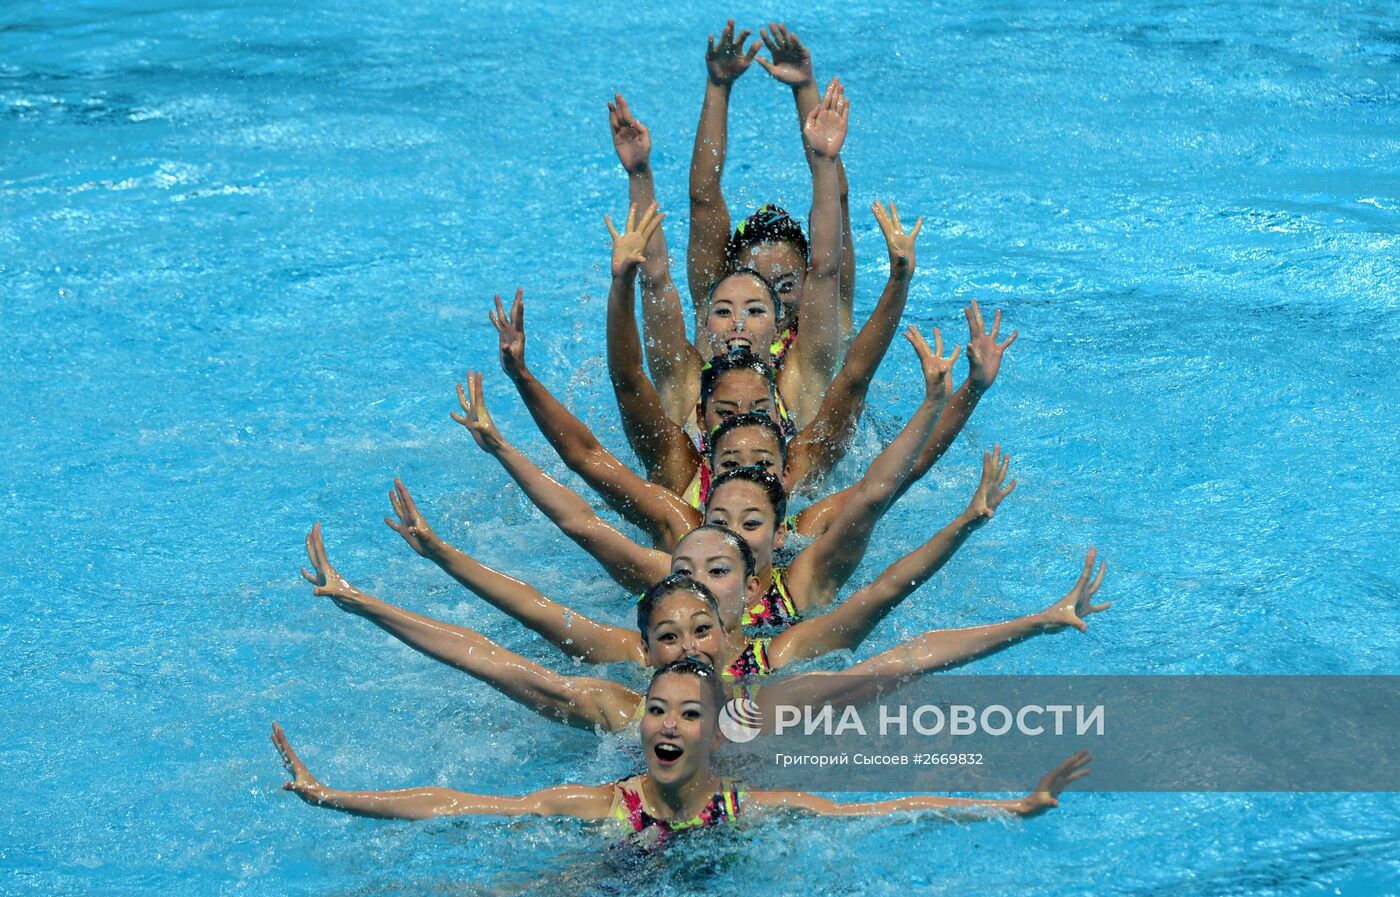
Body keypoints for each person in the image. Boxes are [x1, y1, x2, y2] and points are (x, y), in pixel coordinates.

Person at [298, 522, 1109, 734]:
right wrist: (365, 601)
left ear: (730, 634)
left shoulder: (771, 701)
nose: (688, 645)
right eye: (669, 636)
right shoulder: (621, 713)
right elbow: (495, 660)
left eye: (701, 628)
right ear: (645, 653)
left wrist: (1037, 620)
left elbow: (903, 659)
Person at [454, 323, 957, 624]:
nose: (732, 531)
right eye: (721, 514)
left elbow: (884, 487)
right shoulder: (678, 549)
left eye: (751, 521)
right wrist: (506, 431)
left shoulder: (801, 579)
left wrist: (955, 395)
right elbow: (583, 503)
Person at [272, 659, 1093, 831]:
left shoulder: (750, 805)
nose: (667, 725)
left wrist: (1008, 806)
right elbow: (462, 804)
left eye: (688, 715)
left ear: (715, 733)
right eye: (657, 712)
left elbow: (878, 808)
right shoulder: (602, 804)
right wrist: (333, 794)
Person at [383, 446, 1017, 667]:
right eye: (684, 574)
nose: (699, 590)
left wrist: (965, 521)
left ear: (747, 588)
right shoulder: (640, 675)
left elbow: (890, 603)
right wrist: (439, 554)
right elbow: (521, 627)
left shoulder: (781, 654)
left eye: (717, 574)